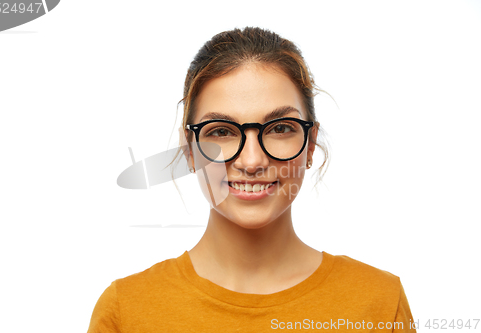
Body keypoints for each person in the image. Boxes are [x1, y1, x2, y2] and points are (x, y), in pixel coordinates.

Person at [87, 27, 416, 332]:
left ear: (311, 143)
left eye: (280, 128)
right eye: (221, 132)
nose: (252, 161)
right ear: (189, 149)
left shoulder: (379, 304)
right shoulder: (126, 311)